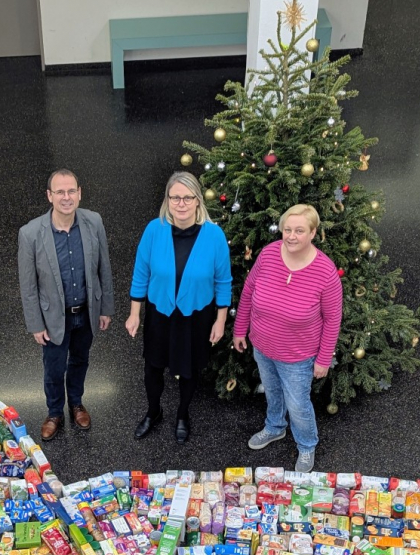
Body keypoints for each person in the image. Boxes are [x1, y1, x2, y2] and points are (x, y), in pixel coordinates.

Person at [232, 203, 342, 473]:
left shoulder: (325, 271)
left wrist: (323, 359)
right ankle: (275, 427)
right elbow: (248, 291)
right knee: (272, 391)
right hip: (263, 346)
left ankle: (307, 445)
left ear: (313, 233)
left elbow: (332, 319)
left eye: (299, 231)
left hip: (298, 356)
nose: (291, 236)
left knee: (297, 404)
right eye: (287, 229)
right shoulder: (269, 254)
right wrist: (240, 329)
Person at [125, 171, 231, 443]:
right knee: (152, 368)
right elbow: (141, 274)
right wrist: (134, 314)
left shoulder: (214, 235)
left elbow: (223, 281)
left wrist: (220, 320)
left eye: (187, 197)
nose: (181, 203)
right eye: (175, 198)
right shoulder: (154, 230)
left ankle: (183, 414)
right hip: (160, 313)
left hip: (196, 316)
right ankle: (153, 412)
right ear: (167, 200)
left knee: (189, 368)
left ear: (198, 201)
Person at [18, 169, 114, 440]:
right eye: (59, 192)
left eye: (71, 191)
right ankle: (54, 413)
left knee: (80, 361)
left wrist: (106, 308)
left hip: (86, 312)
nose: (66, 197)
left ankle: (76, 403)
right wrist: (35, 324)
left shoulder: (94, 222)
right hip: (53, 318)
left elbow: (104, 268)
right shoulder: (30, 233)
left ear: (79, 193)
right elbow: (28, 285)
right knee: (54, 367)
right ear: (49, 196)